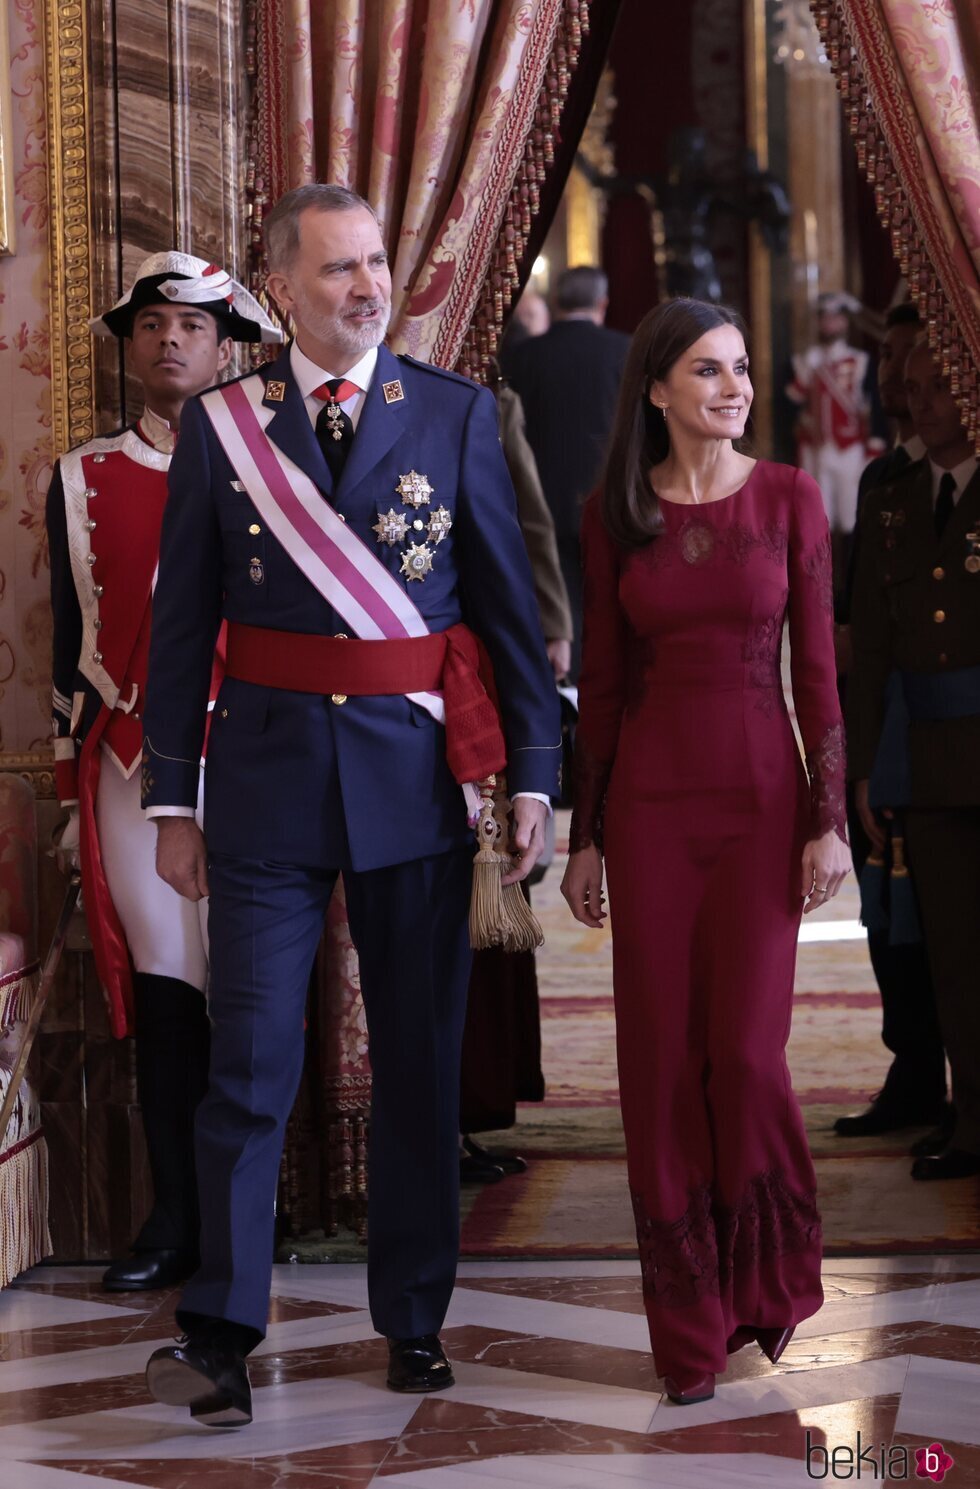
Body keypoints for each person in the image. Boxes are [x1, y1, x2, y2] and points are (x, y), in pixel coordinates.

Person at [140, 183, 561, 1426]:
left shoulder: (453, 414)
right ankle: (220, 1329)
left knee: (421, 1064)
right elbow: (177, 638)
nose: (366, 285)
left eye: (375, 262)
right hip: (263, 783)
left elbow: (505, 610)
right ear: (279, 290)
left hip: (410, 782)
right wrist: (174, 802)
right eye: (336, 269)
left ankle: (415, 1314)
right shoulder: (225, 428)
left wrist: (530, 772)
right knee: (252, 1059)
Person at [561, 297, 849, 1405]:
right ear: (656, 390)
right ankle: (686, 1329)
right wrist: (585, 839)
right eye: (705, 371)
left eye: (736, 367)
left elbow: (816, 676)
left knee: (743, 1053)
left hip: (763, 805)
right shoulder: (610, 514)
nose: (730, 387)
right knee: (655, 1067)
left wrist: (826, 817)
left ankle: (765, 1278)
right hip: (646, 813)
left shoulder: (786, 499)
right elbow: (605, 689)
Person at [46, 253, 282, 1293]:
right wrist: (67, 797)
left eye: (191, 323)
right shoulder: (81, 475)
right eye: (150, 323)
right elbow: (68, 649)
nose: (169, 339)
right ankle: (176, 1216)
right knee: (163, 994)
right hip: (136, 759)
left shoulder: (280, 463)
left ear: (228, 344)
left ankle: (250, 1218)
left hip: (264, 754)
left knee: (255, 993)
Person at [848, 335, 980, 1182]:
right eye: (915, 385)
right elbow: (873, 649)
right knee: (955, 952)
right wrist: (865, 766)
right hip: (928, 761)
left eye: (941, 387)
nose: (919, 400)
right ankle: (971, 1117)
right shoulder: (894, 495)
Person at [833, 305, 946, 1141]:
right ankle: (912, 1065)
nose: (896, 377)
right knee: (887, 909)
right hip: (887, 721)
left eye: (914, 362)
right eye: (892, 363)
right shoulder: (881, 480)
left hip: (946, 725)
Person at [504, 266, 630, 676]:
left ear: (556, 303)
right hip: (610, 500)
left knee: (560, 605)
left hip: (542, 502)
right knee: (611, 601)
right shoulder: (624, 352)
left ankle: (571, 694)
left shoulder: (524, 356)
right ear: (603, 304)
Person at [786, 291, 876, 538]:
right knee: (818, 519)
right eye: (823, 317)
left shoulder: (860, 361)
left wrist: (873, 448)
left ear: (845, 321)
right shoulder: (806, 361)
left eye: (835, 317)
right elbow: (793, 401)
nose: (829, 323)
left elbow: (872, 407)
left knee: (851, 518)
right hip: (817, 448)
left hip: (850, 447)